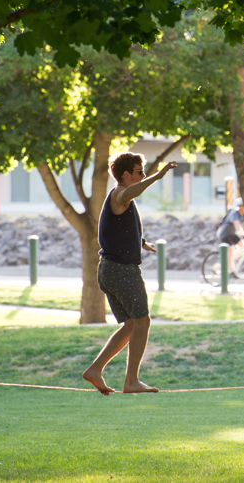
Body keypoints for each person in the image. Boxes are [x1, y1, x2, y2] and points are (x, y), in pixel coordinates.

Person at [82, 152, 178, 395]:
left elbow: (117, 229)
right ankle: (132, 381)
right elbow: (129, 194)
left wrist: (140, 242)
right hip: (121, 270)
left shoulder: (119, 200)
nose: (143, 175)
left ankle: (95, 370)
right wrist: (159, 175)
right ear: (125, 175)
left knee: (130, 326)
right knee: (142, 322)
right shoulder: (120, 194)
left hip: (108, 270)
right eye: (139, 172)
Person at [216, 197, 244, 274]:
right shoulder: (234, 213)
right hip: (225, 234)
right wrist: (243, 234)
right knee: (231, 250)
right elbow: (237, 225)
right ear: (241, 207)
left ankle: (230, 260)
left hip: (233, 234)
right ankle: (230, 271)